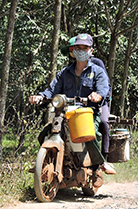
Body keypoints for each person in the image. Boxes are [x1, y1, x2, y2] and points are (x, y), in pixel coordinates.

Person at [29, 33, 116, 175]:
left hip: (87, 113)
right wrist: (40, 97)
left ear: (91, 51)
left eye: (84, 48)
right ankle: (44, 163)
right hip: (66, 112)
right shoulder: (65, 73)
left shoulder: (97, 71)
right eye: (78, 48)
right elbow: (52, 90)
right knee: (44, 134)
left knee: (88, 135)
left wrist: (98, 95)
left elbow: (104, 88)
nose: (81, 51)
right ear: (73, 50)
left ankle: (100, 164)